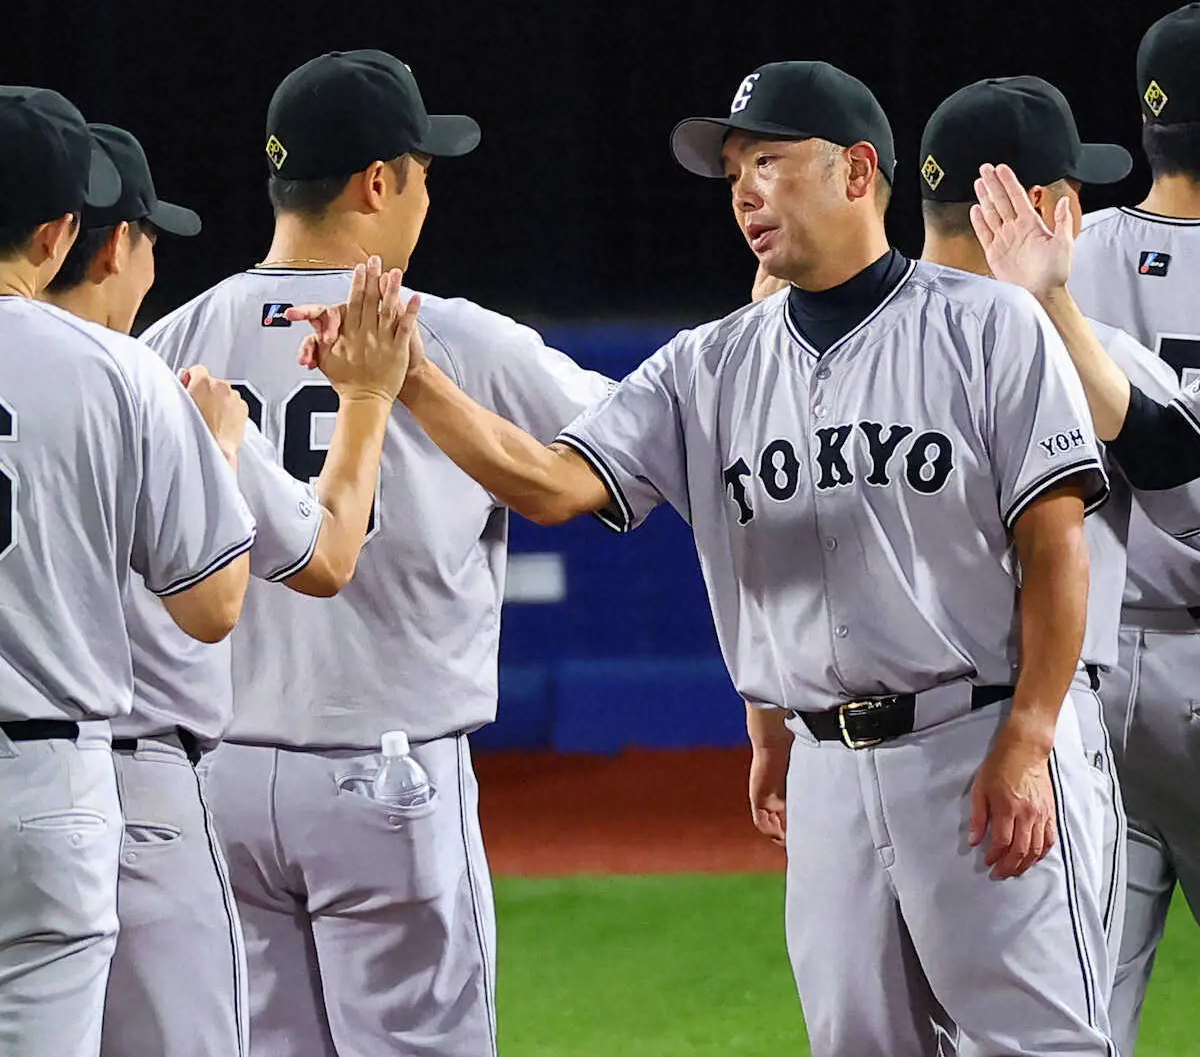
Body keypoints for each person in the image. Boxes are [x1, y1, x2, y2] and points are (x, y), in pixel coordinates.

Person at [302, 59, 1117, 1055]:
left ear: (859, 172)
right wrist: (414, 379)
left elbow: (1056, 547)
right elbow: (556, 482)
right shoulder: (710, 363)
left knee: (1042, 1044)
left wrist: (1031, 737)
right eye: (733, 169)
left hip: (978, 741)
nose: (743, 190)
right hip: (825, 776)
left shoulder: (986, 327)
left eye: (769, 161)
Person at [140, 50, 614, 1057]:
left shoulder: (173, 344)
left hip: (217, 774)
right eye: (423, 168)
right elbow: (628, 452)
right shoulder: (455, 339)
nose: (428, 191)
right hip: (387, 774)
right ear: (377, 182)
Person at [42, 124, 416, 1057]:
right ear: (109, 242)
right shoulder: (164, 395)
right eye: (148, 237)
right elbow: (326, 558)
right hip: (130, 794)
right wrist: (364, 401)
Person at [0, 86, 255, 1057]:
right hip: (45, 779)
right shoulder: (116, 372)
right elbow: (212, 601)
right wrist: (218, 458)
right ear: (63, 230)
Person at [916, 74, 1177, 994]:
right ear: (1051, 205)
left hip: (874, 749)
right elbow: (1172, 460)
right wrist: (1058, 311)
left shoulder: (836, 344)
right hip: (1038, 743)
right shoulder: (1087, 354)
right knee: (1056, 1025)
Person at [973, 146, 1200, 1057]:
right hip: (1122, 647)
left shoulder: (1059, 245)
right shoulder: (1051, 255)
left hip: (1098, 663)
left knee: (1086, 997)